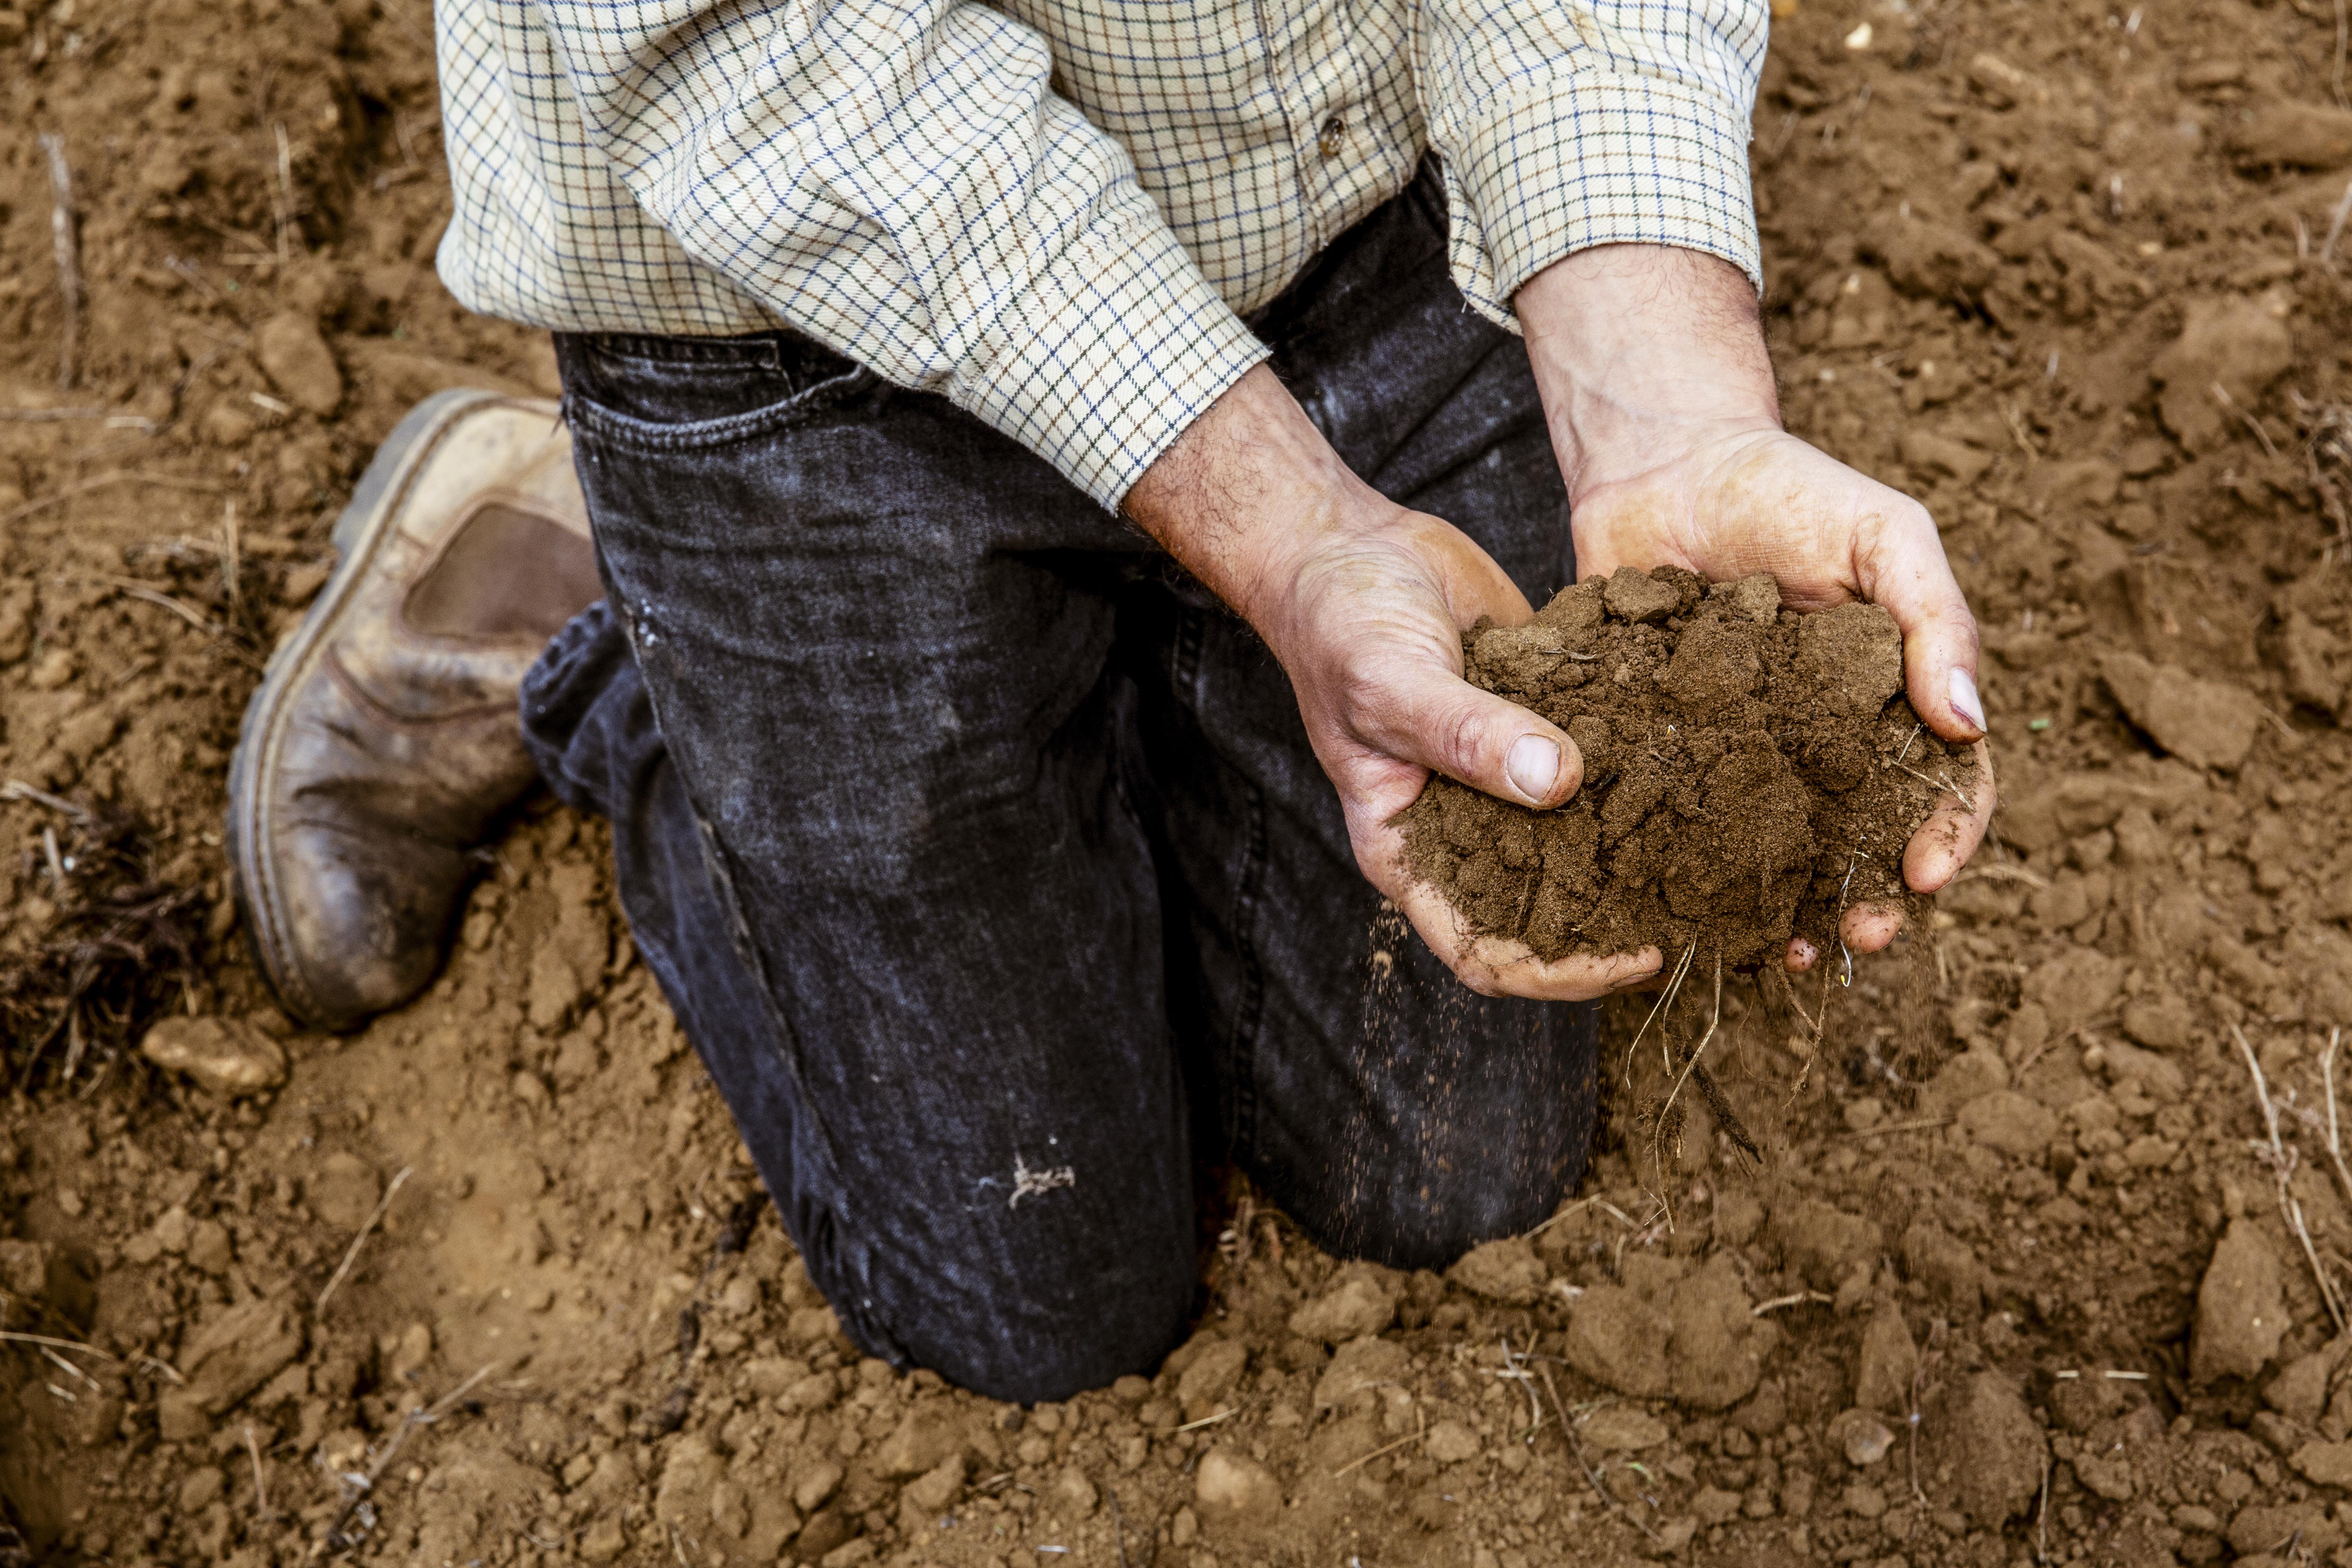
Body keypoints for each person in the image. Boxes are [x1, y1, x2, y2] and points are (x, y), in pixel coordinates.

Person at [227, 0, 1995, 1401]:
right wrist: (1289, 540)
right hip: (796, 332)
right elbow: (744, 42)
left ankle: (1129, 685)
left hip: (1349, 220)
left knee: (1446, 1182)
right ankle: (592, 638)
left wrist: (1666, 402)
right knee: (1039, 1310)